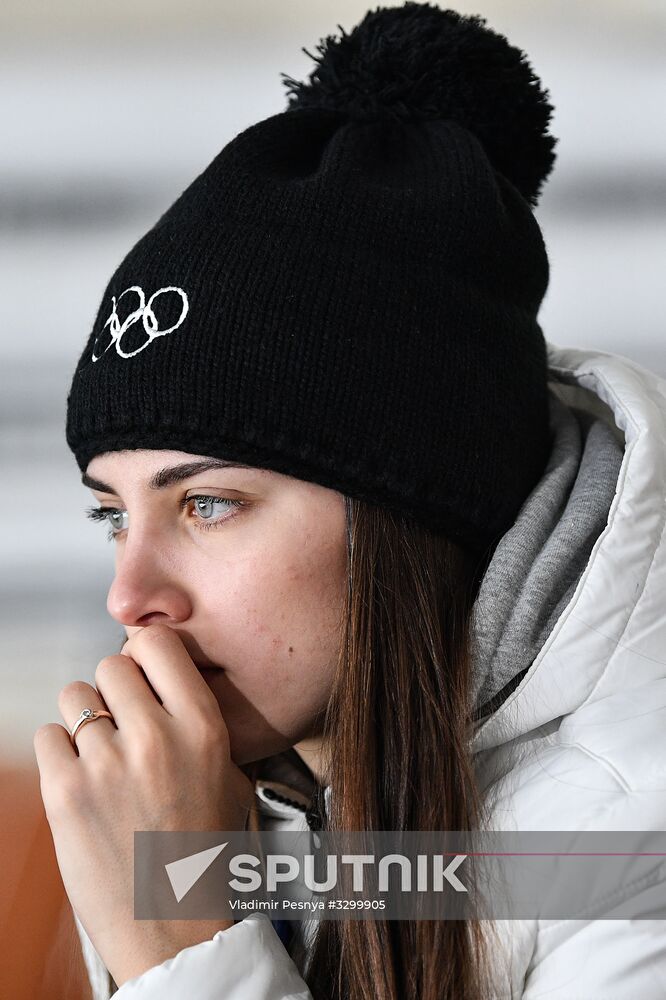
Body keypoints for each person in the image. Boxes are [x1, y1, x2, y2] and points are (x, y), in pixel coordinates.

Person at [33, 3, 666, 998]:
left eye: (206, 504)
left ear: (410, 512)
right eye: (113, 512)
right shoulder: (230, 806)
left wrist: (187, 954)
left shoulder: (630, 856)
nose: (130, 595)